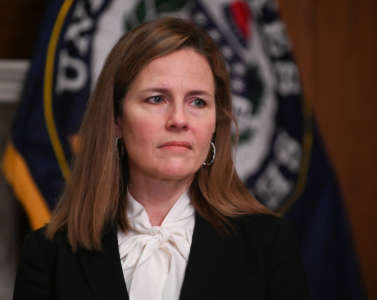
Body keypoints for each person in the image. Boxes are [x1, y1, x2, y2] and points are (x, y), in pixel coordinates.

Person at [13, 17, 310, 300]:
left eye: (198, 102)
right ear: (116, 118)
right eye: (156, 98)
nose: (179, 120)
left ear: (215, 122)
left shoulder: (269, 245)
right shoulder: (48, 254)